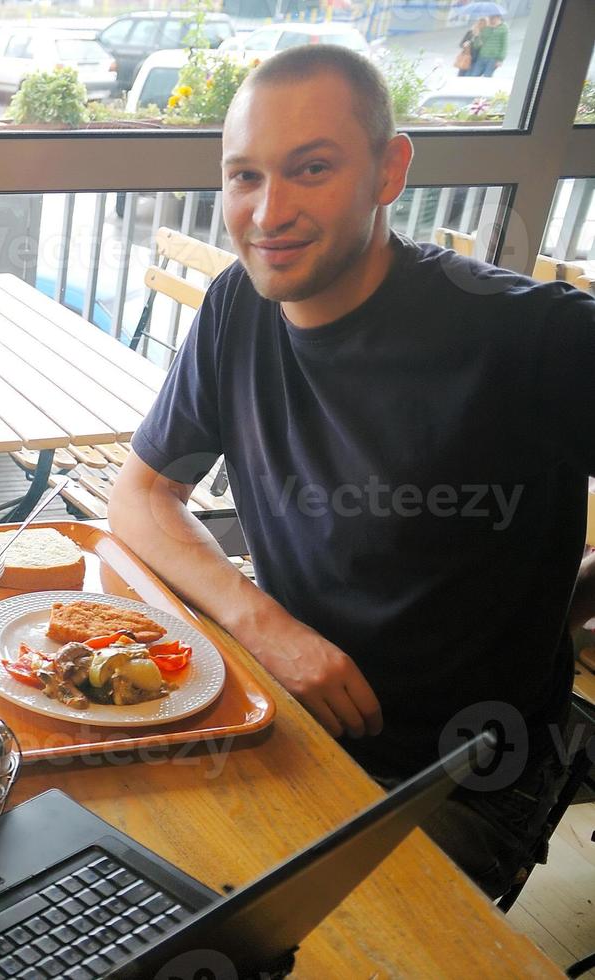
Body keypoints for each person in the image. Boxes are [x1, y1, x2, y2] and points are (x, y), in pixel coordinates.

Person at [109, 44, 595, 901]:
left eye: (312, 169)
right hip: (283, 711)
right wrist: (268, 629)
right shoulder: (237, 308)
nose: (268, 212)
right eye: (245, 177)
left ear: (389, 169)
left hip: (461, 770)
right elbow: (142, 495)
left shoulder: (525, 338)